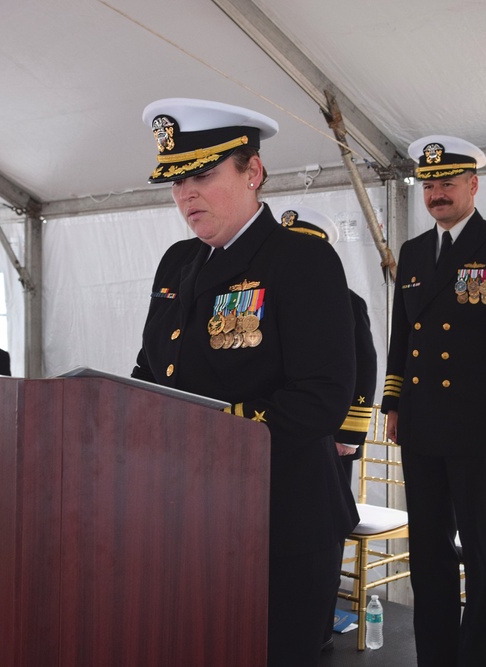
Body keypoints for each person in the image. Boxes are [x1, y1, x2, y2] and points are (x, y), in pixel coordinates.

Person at [130, 98, 359, 666]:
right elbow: (150, 366)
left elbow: (322, 398)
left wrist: (209, 426)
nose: (186, 195)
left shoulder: (301, 261)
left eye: (203, 175)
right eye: (176, 181)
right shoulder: (177, 262)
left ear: (252, 172)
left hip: (280, 519)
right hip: (189, 512)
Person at [382, 135, 486, 666]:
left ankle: (474, 657)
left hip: (477, 426)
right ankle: (435, 654)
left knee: (477, 550)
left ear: (473, 184)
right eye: (429, 184)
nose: (437, 193)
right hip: (423, 424)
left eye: (448, 183)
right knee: (428, 547)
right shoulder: (411, 252)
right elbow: (401, 335)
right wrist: (394, 404)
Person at [278, 204, 378, 651]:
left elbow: (364, 368)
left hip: (329, 437)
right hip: (287, 434)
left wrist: (349, 434)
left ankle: (319, 625)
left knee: (326, 530)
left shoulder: (347, 300)